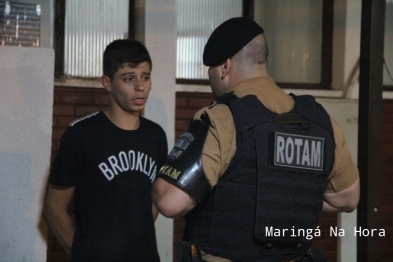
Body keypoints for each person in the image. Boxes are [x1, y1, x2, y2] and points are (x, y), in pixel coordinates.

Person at [152, 17, 360, 262]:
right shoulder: (322, 122)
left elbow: (169, 202)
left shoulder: (223, 118)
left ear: (225, 67)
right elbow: (348, 198)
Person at [43, 39, 168, 261]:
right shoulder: (82, 134)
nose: (140, 86)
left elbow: (157, 197)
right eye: (128, 78)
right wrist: (84, 253)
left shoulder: (155, 135)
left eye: (145, 77)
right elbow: (54, 208)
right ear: (107, 83)